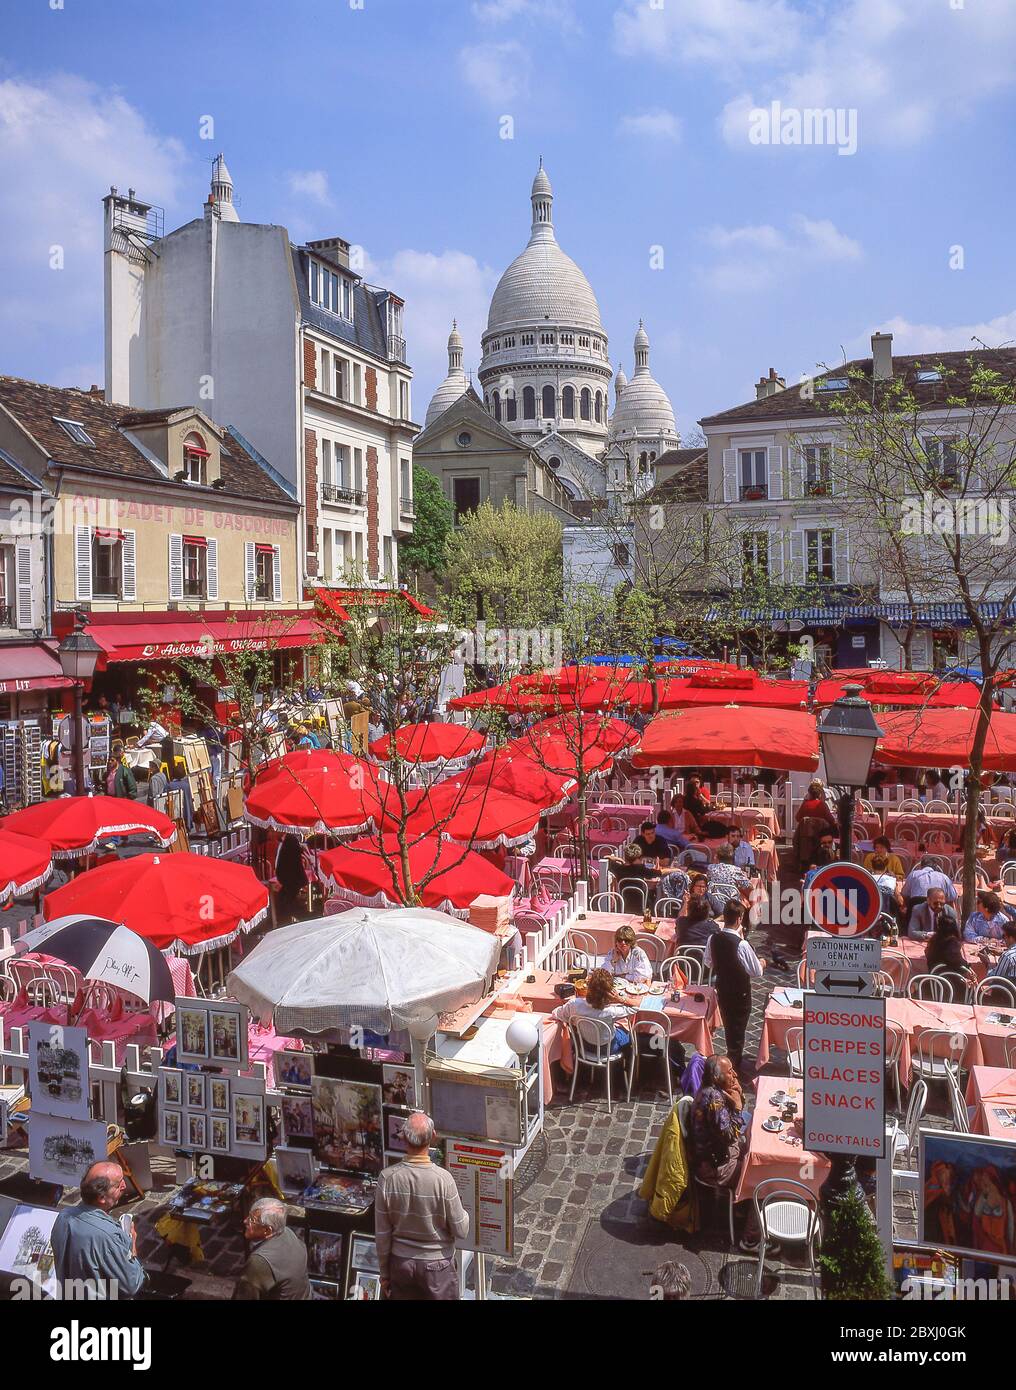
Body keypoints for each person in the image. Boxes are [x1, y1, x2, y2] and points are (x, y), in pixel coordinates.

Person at [375, 1112, 469, 1300]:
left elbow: (382, 1235)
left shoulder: (387, 1179)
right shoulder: (443, 1180)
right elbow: (461, 1229)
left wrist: (385, 1275)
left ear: (403, 1138)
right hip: (438, 1269)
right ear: (433, 1137)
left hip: (401, 1265)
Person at [689, 1055, 756, 1252]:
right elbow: (728, 1135)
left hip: (721, 1153)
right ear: (717, 1078)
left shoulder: (715, 1090)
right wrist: (737, 1108)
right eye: (729, 1072)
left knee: (751, 1145)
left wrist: (738, 1097)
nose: (735, 1074)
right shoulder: (714, 1099)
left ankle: (741, 1209)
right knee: (758, 1178)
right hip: (715, 1166)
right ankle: (751, 1238)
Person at [51, 1161, 145, 1300]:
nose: (124, 1186)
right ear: (101, 1198)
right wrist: (132, 1246)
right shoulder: (107, 1235)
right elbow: (131, 1284)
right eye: (118, 1184)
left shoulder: (64, 1216)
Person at [704, 901, 765, 1075]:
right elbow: (756, 972)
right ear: (739, 920)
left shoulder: (713, 938)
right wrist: (761, 962)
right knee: (738, 1030)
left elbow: (708, 962)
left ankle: (732, 1060)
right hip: (740, 993)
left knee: (731, 1027)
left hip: (722, 989)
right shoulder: (742, 944)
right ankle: (732, 1068)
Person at [233, 1198, 311, 1300]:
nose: (245, 1221)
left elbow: (243, 1296)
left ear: (267, 1230)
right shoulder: (288, 1232)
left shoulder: (259, 1261)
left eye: (252, 1220)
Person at [925, 909, 976, 988]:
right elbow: (956, 961)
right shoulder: (952, 943)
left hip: (934, 982)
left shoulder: (933, 941)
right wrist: (968, 967)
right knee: (973, 986)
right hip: (950, 985)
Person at [794, 778, 837, 870]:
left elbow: (798, 818)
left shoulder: (805, 805)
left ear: (809, 793)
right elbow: (831, 821)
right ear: (820, 794)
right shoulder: (822, 805)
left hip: (806, 840)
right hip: (821, 839)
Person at [903, 852, 958, 922]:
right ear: (936, 868)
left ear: (921, 867)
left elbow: (904, 894)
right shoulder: (944, 877)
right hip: (937, 912)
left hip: (914, 911)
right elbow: (952, 897)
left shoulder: (913, 874)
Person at [705, 844, 751, 915]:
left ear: (717, 856)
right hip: (732, 904)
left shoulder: (711, 868)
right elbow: (748, 886)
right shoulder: (736, 870)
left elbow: (708, 881)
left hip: (714, 902)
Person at [989, 918, 1016, 983]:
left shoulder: (1008, 956)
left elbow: (994, 979)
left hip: (1009, 992)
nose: (1003, 939)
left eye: (1004, 936)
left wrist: (988, 964)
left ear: (1011, 938)